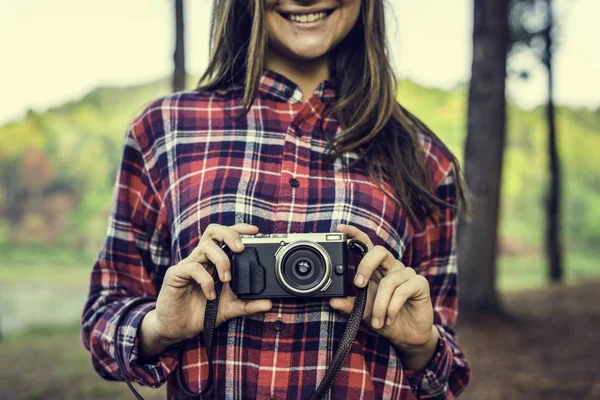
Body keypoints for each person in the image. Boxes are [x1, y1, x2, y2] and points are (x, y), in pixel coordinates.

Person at [81, 0, 472, 398]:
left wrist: (421, 346)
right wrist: (158, 328)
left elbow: (446, 375)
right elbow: (103, 318)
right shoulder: (164, 129)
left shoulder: (424, 158)